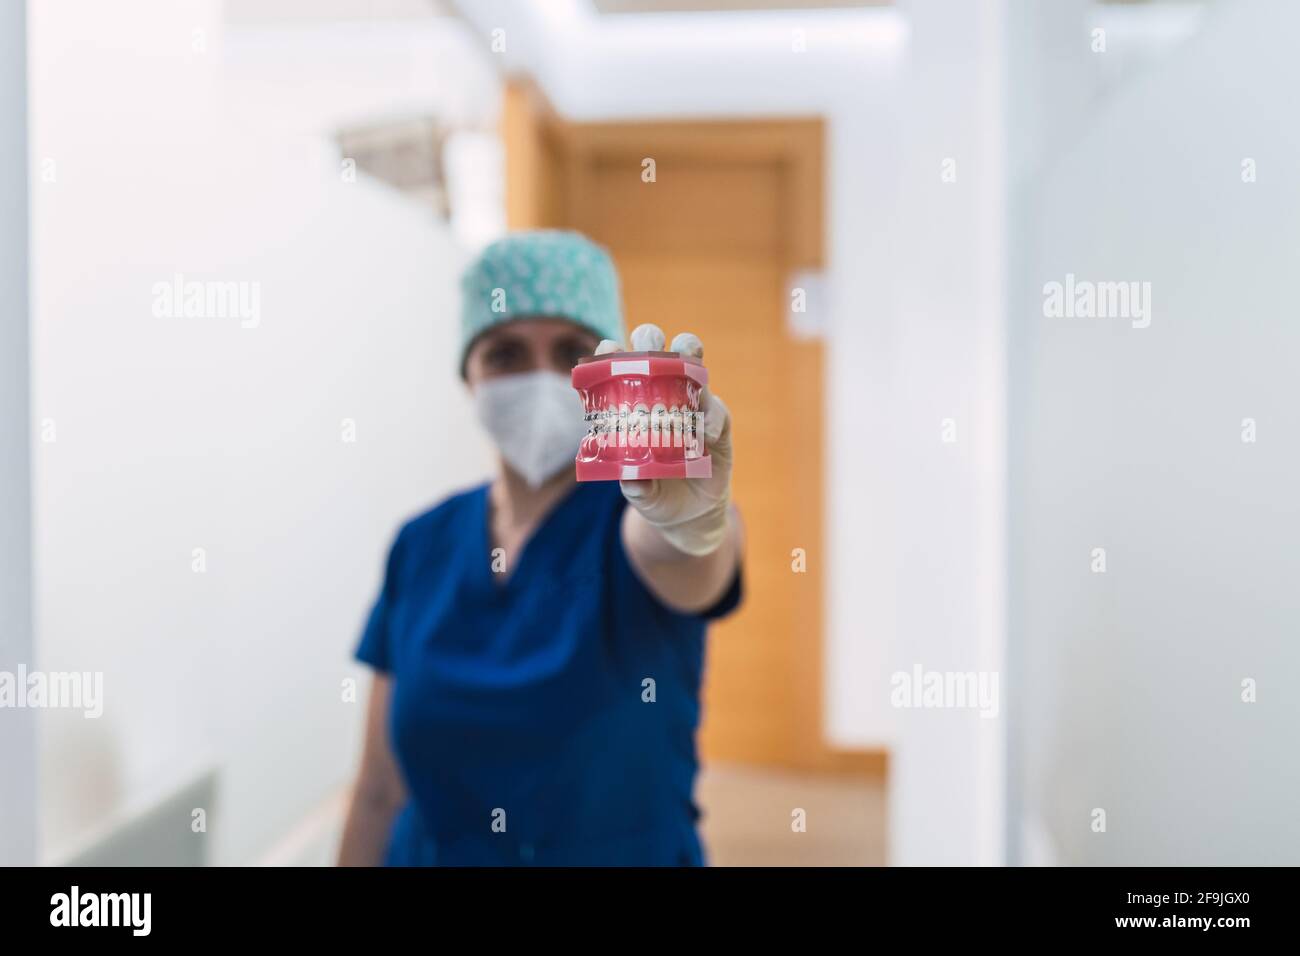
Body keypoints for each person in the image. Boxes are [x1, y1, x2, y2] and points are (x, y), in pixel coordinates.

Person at [337, 230, 744, 866]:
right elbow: (378, 793)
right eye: (505, 354)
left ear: (606, 374)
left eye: (571, 352)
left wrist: (695, 525)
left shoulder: (639, 515)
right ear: (468, 376)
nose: (541, 378)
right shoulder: (422, 544)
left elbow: (686, 561)